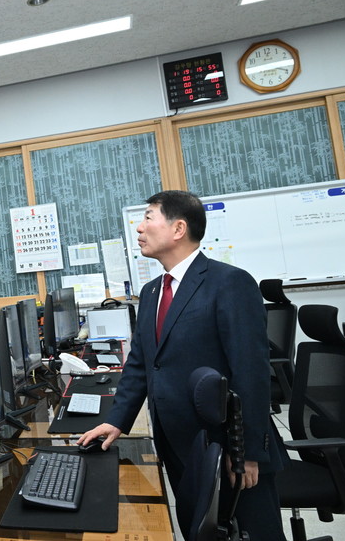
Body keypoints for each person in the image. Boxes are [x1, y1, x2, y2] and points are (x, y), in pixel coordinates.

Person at [77, 190, 287, 540]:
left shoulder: (229, 283)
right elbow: (142, 365)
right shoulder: (151, 292)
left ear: (178, 229)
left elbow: (250, 372)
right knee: (197, 531)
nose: (139, 227)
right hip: (177, 443)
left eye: (148, 217)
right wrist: (116, 421)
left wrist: (247, 453)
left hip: (225, 447)